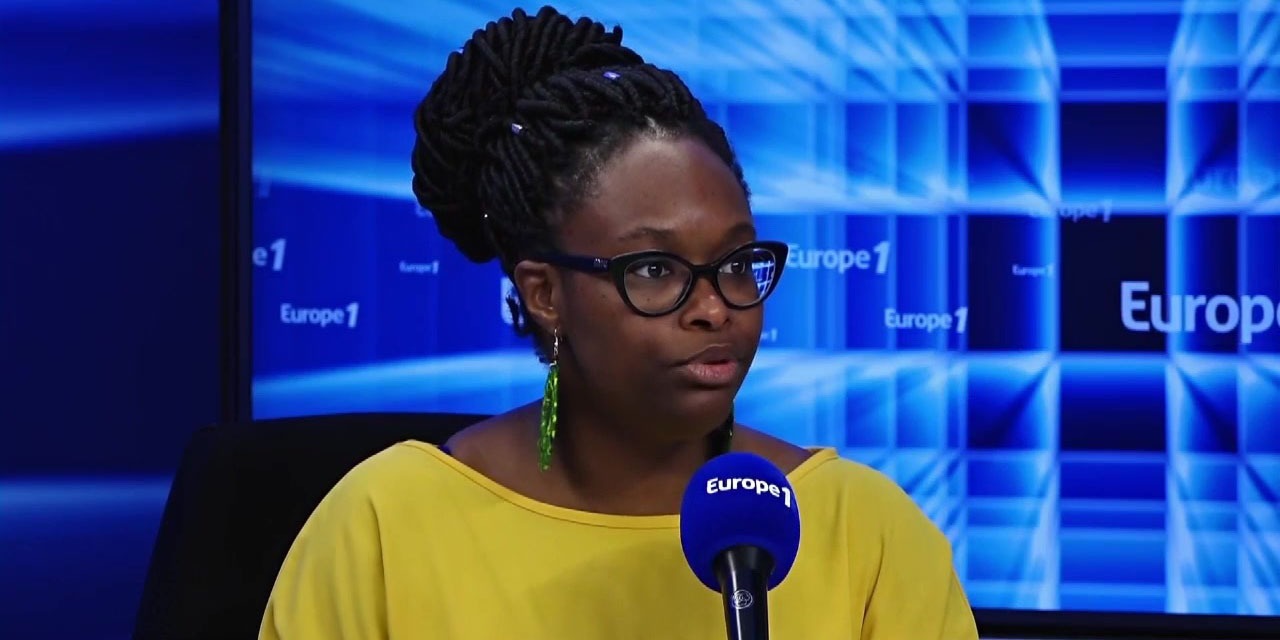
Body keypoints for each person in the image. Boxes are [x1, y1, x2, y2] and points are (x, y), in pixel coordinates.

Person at [259, 6, 978, 639]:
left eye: (735, 263)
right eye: (656, 269)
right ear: (544, 294)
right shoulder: (384, 527)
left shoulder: (864, 531)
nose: (714, 307)